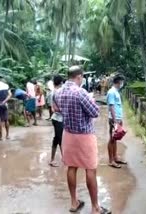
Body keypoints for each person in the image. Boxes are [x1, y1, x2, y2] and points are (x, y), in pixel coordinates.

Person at [55, 66, 109, 214]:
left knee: (71, 167)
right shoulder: (81, 92)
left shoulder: (59, 92)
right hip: (84, 135)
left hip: (68, 134)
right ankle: (95, 208)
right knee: (90, 169)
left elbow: (58, 109)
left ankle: (74, 203)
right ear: (79, 77)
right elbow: (95, 112)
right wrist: (91, 99)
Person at [107, 74, 127, 168]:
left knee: (115, 139)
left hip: (118, 118)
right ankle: (111, 160)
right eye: (121, 82)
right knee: (112, 139)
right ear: (118, 82)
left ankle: (115, 157)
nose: (122, 84)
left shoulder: (116, 92)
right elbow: (111, 106)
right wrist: (115, 121)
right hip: (114, 119)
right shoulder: (111, 92)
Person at [49, 75, 64, 167]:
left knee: (57, 139)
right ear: (61, 83)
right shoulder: (57, 92)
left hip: (57, 118)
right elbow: (55, 108)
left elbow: (53, 108)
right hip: (58, 119)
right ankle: (63, 158)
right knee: (60, 139)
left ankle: (53, 159)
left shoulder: (53, 92)